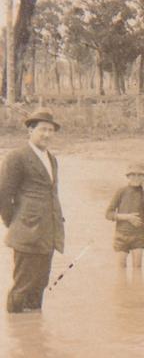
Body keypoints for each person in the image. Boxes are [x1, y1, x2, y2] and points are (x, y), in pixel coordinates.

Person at [0, 108, 65, 313]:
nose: (47, 135)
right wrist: (16, 222)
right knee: (22, 287)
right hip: (26, 234)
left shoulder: (52, 159)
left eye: (50, 130)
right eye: (42, 130)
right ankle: (16, 329)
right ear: (30, 130)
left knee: (39, 286)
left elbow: (51, 194)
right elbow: (3, 194)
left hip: (48, 234)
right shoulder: (17, 157)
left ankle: (33, 334)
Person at [105, 162, 144, 268]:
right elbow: (108, 214)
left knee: (137, 268)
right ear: (128, 176)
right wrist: (127, 217)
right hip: (121, 235)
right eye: (133, 175)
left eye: (139, 175)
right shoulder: (121, 191)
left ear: (143, 177)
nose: (136, 178)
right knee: (121, 268)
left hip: (139, 235)